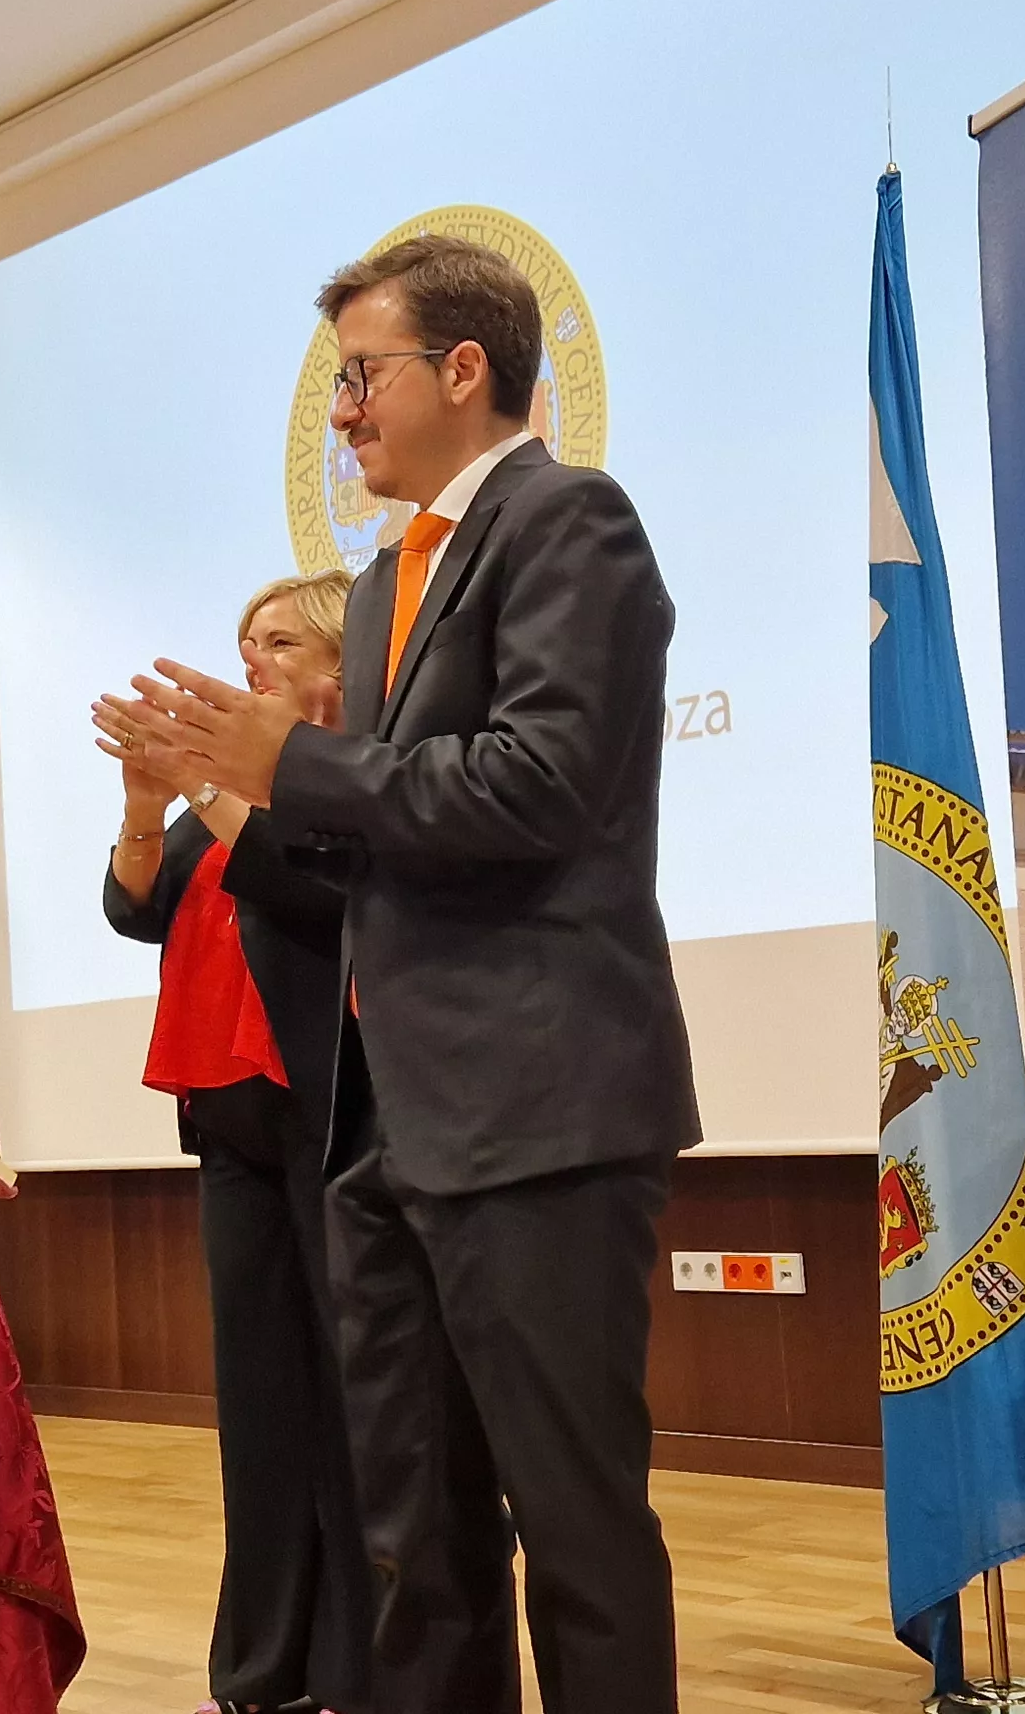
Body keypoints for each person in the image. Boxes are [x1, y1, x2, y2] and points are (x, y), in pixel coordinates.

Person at [112, 232, 698, 1714]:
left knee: (575, 1537)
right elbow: (377, 850)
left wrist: (292, 761)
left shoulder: (570, 522)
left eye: (360, 377)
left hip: (541, 1115)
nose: (340, 414)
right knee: (412, 1549)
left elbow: (535, 791)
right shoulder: (381, 587)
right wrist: (237, 791)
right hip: (382, 1132)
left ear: (462, 369)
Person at [92, 570, 368, 1714]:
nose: (248, 659)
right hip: (230, 1125)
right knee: (259, 1412)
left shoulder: (353, 779)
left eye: (276, 642)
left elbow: (314, 897)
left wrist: (204, 779)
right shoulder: (217, 804)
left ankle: (360, 1669)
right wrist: (138, 800)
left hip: (333, 1122)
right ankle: (261, 1673)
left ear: (335, 674)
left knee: (355, 1408)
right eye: (243, 640)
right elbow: (132, 907)